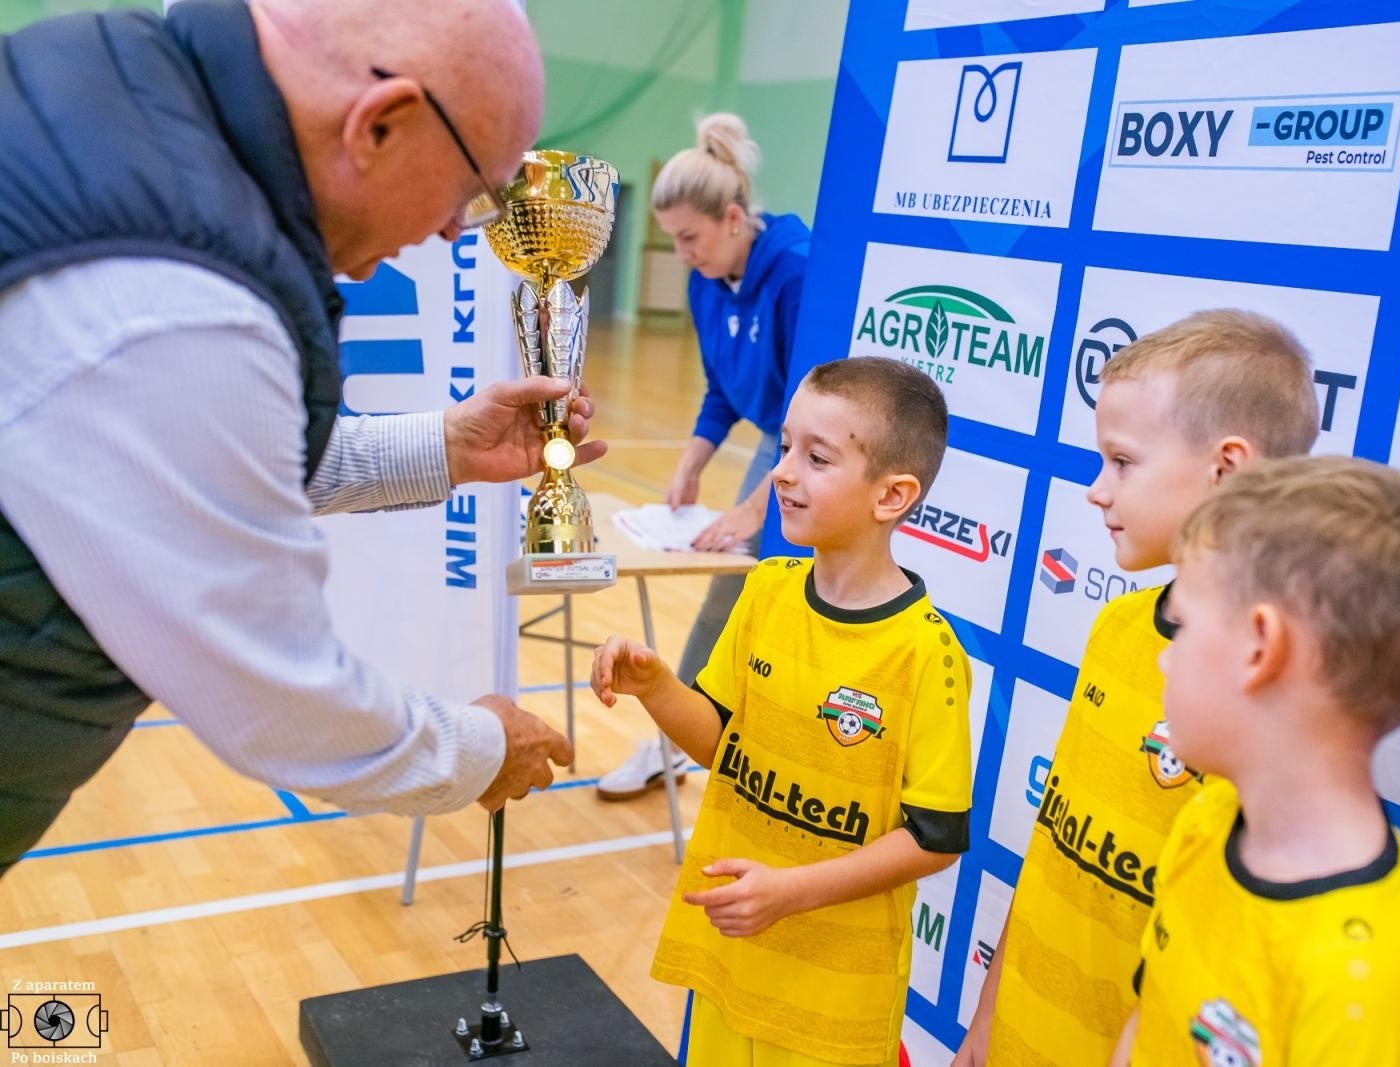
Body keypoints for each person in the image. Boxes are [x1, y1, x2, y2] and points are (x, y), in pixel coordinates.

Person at [0, 0, 591, 877]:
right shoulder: (176, 292)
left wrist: (446, 447)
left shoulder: (126, 99)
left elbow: (194, 477)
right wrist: (478, 748)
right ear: (379, 123)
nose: (450, 230)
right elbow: (269, 690)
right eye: (471, 190)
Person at [957, 310, 1321, 1066]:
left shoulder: (1277, 694)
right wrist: (984, 1022)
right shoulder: (1118, 627)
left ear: (1227, 468)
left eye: (1122, 462)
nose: (1096, 490)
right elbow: (1056, 840)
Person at [591, 357, 972, 1066]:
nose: (783, 472)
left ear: (892, 495)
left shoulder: (928, 654)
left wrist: (792, 892)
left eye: (816, 458)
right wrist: (657, 687)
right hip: (732, 957)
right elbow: (720, 744)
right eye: (786, 445)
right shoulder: (766, 590)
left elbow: (936, 837)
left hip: (833, 1001)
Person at [1109, 456, 1400, 1066]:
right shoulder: (1206, 819)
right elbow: (1146, 1023)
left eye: (1185, 625)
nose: (1164, 658)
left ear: (1260, 648)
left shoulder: (1368, 976)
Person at [595, 113, 811, 801]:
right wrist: (691, 463)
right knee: (730, 584)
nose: (682, 253)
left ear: (734, 219)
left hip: (818, 442)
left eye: (690, 237)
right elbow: (721, 390)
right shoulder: (706, 280)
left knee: (781, 588)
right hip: (780, 437)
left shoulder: (796, 271)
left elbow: (812, 415)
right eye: (673, 240)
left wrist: (751, 508)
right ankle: (675, 741)